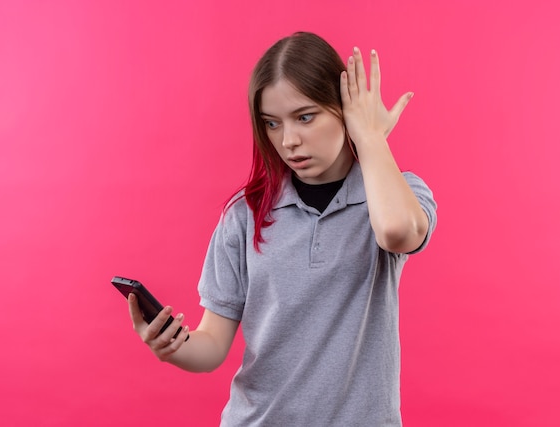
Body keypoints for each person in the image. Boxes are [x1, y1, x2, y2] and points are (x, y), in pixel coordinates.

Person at [128, 31, 437, 426]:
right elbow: (211, 348)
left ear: (344, 108)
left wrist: (371, 136)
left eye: (305, 117)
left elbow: (397, 232)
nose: (288, 140)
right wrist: (171, 344)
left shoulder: (398, 192)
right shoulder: (246, 214)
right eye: (272, 124)